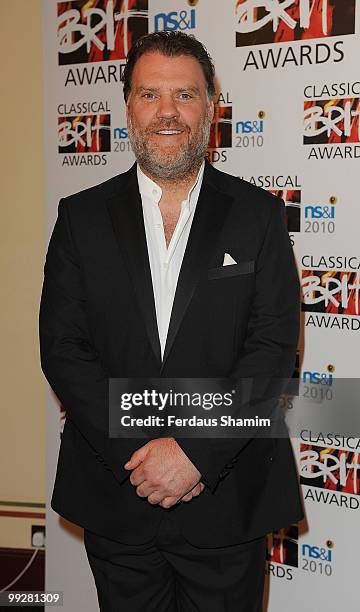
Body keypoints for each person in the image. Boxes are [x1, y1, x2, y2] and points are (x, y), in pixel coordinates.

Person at [39, 31, 303, 612]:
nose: (167, 112)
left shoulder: (257, 215)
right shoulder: (80, 217)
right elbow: (63, 349)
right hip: (117, 494)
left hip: (227, 495)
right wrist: (143, 457)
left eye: (185, 95)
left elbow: (273, 349)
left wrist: (193, 454)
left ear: (211, 107)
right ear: (127, 104)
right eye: (150, 94)